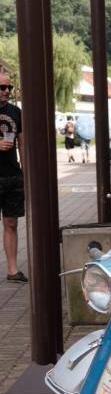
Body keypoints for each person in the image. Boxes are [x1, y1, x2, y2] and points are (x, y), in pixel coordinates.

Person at [0, 72, 26, 283]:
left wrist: (25, 171)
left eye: (8, 87)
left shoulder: (15, 112)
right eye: (2, 87)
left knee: (11, 222)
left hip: (11, 175)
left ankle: (12, 270)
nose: (6, 91)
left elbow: (23, 144)